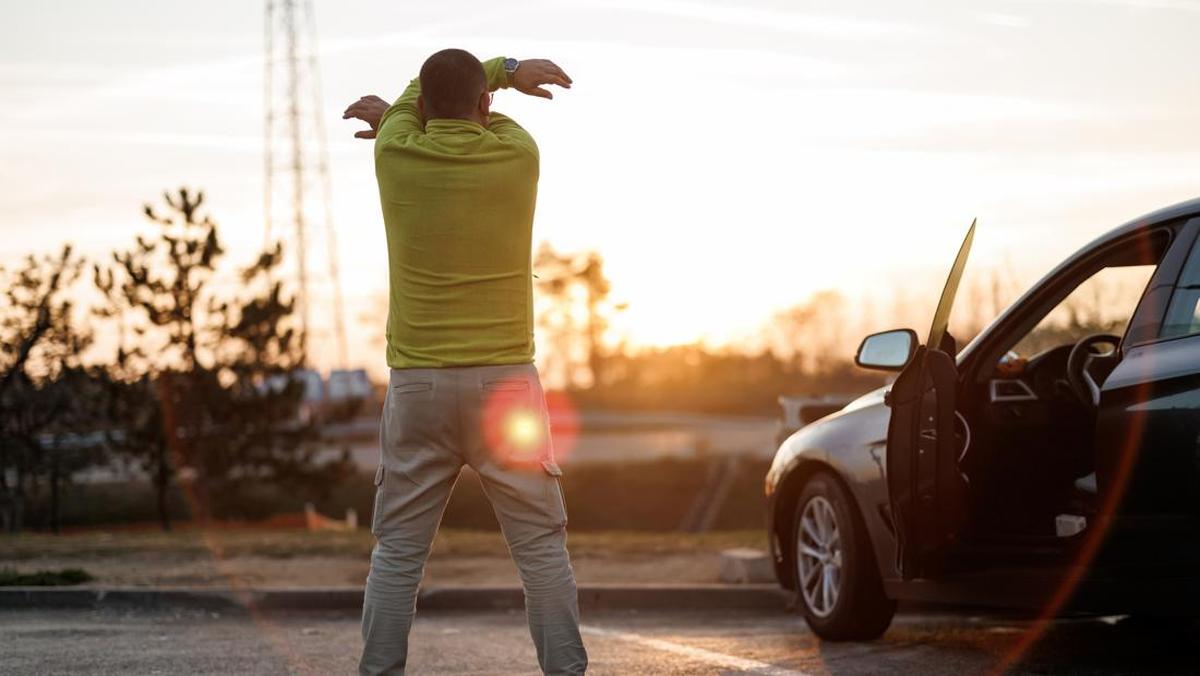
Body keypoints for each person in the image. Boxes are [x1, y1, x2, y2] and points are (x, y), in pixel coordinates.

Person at [342, 49, 586, 675]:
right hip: (506, 386)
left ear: (419, 110)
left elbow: (409, 102)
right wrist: (507, 69)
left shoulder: (392, 152)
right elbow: (453, 104)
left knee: (398, 553)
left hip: (418, 387)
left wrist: (401, 113)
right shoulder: (518, 152)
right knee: (540, 550)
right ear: (485, 105)